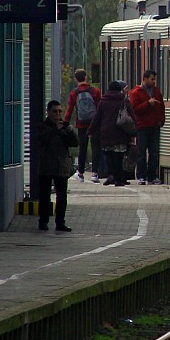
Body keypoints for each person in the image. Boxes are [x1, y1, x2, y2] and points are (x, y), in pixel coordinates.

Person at [36, 100, 78, 232]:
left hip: (61, 167)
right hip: (46, 166)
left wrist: (69, 131)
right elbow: (41, 140)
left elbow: (74, 143)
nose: (58, 114)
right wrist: (55, 130)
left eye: (60, 111)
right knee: (44, 196)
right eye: (55, 111)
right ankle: (43, 221)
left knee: (62, 196)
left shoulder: (64, 126)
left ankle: (60, 222)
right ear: (48, 112)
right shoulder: (43, 126)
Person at [90, 80, 134, 187]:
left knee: (109, 157)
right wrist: (134, 132)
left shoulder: (103, 101)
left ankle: (111, 176)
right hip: (120, 133)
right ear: (119, 89)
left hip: (106, 133)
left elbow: (97, 118)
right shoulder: (124, 100)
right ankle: (118, 179)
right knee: (119, 157)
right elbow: (132, 115)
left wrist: (90, 131)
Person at [63, 69, 104, 183]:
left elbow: (70, 109)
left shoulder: (74, 93)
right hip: (95, 124)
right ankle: (95, 174)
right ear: (86, 77)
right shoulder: (95, 91)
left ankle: (80, 173)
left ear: (76, 79)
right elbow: (100, 108)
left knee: (83, 148)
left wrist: (65, 122)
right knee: (96, 148)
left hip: (81, 124)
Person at [129, 69, 166, 185]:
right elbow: (134, 109)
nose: (154, 82)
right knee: (141, 152)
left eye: (155, 79)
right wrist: (147, 104)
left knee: (154, 152)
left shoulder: (156, 91)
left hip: (154, 125)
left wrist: (161, 120)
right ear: (145, 79)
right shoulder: (136, 92)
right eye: (152, 79)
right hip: (142, 126)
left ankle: (152, 176)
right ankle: (141, 176)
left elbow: (161, 106)